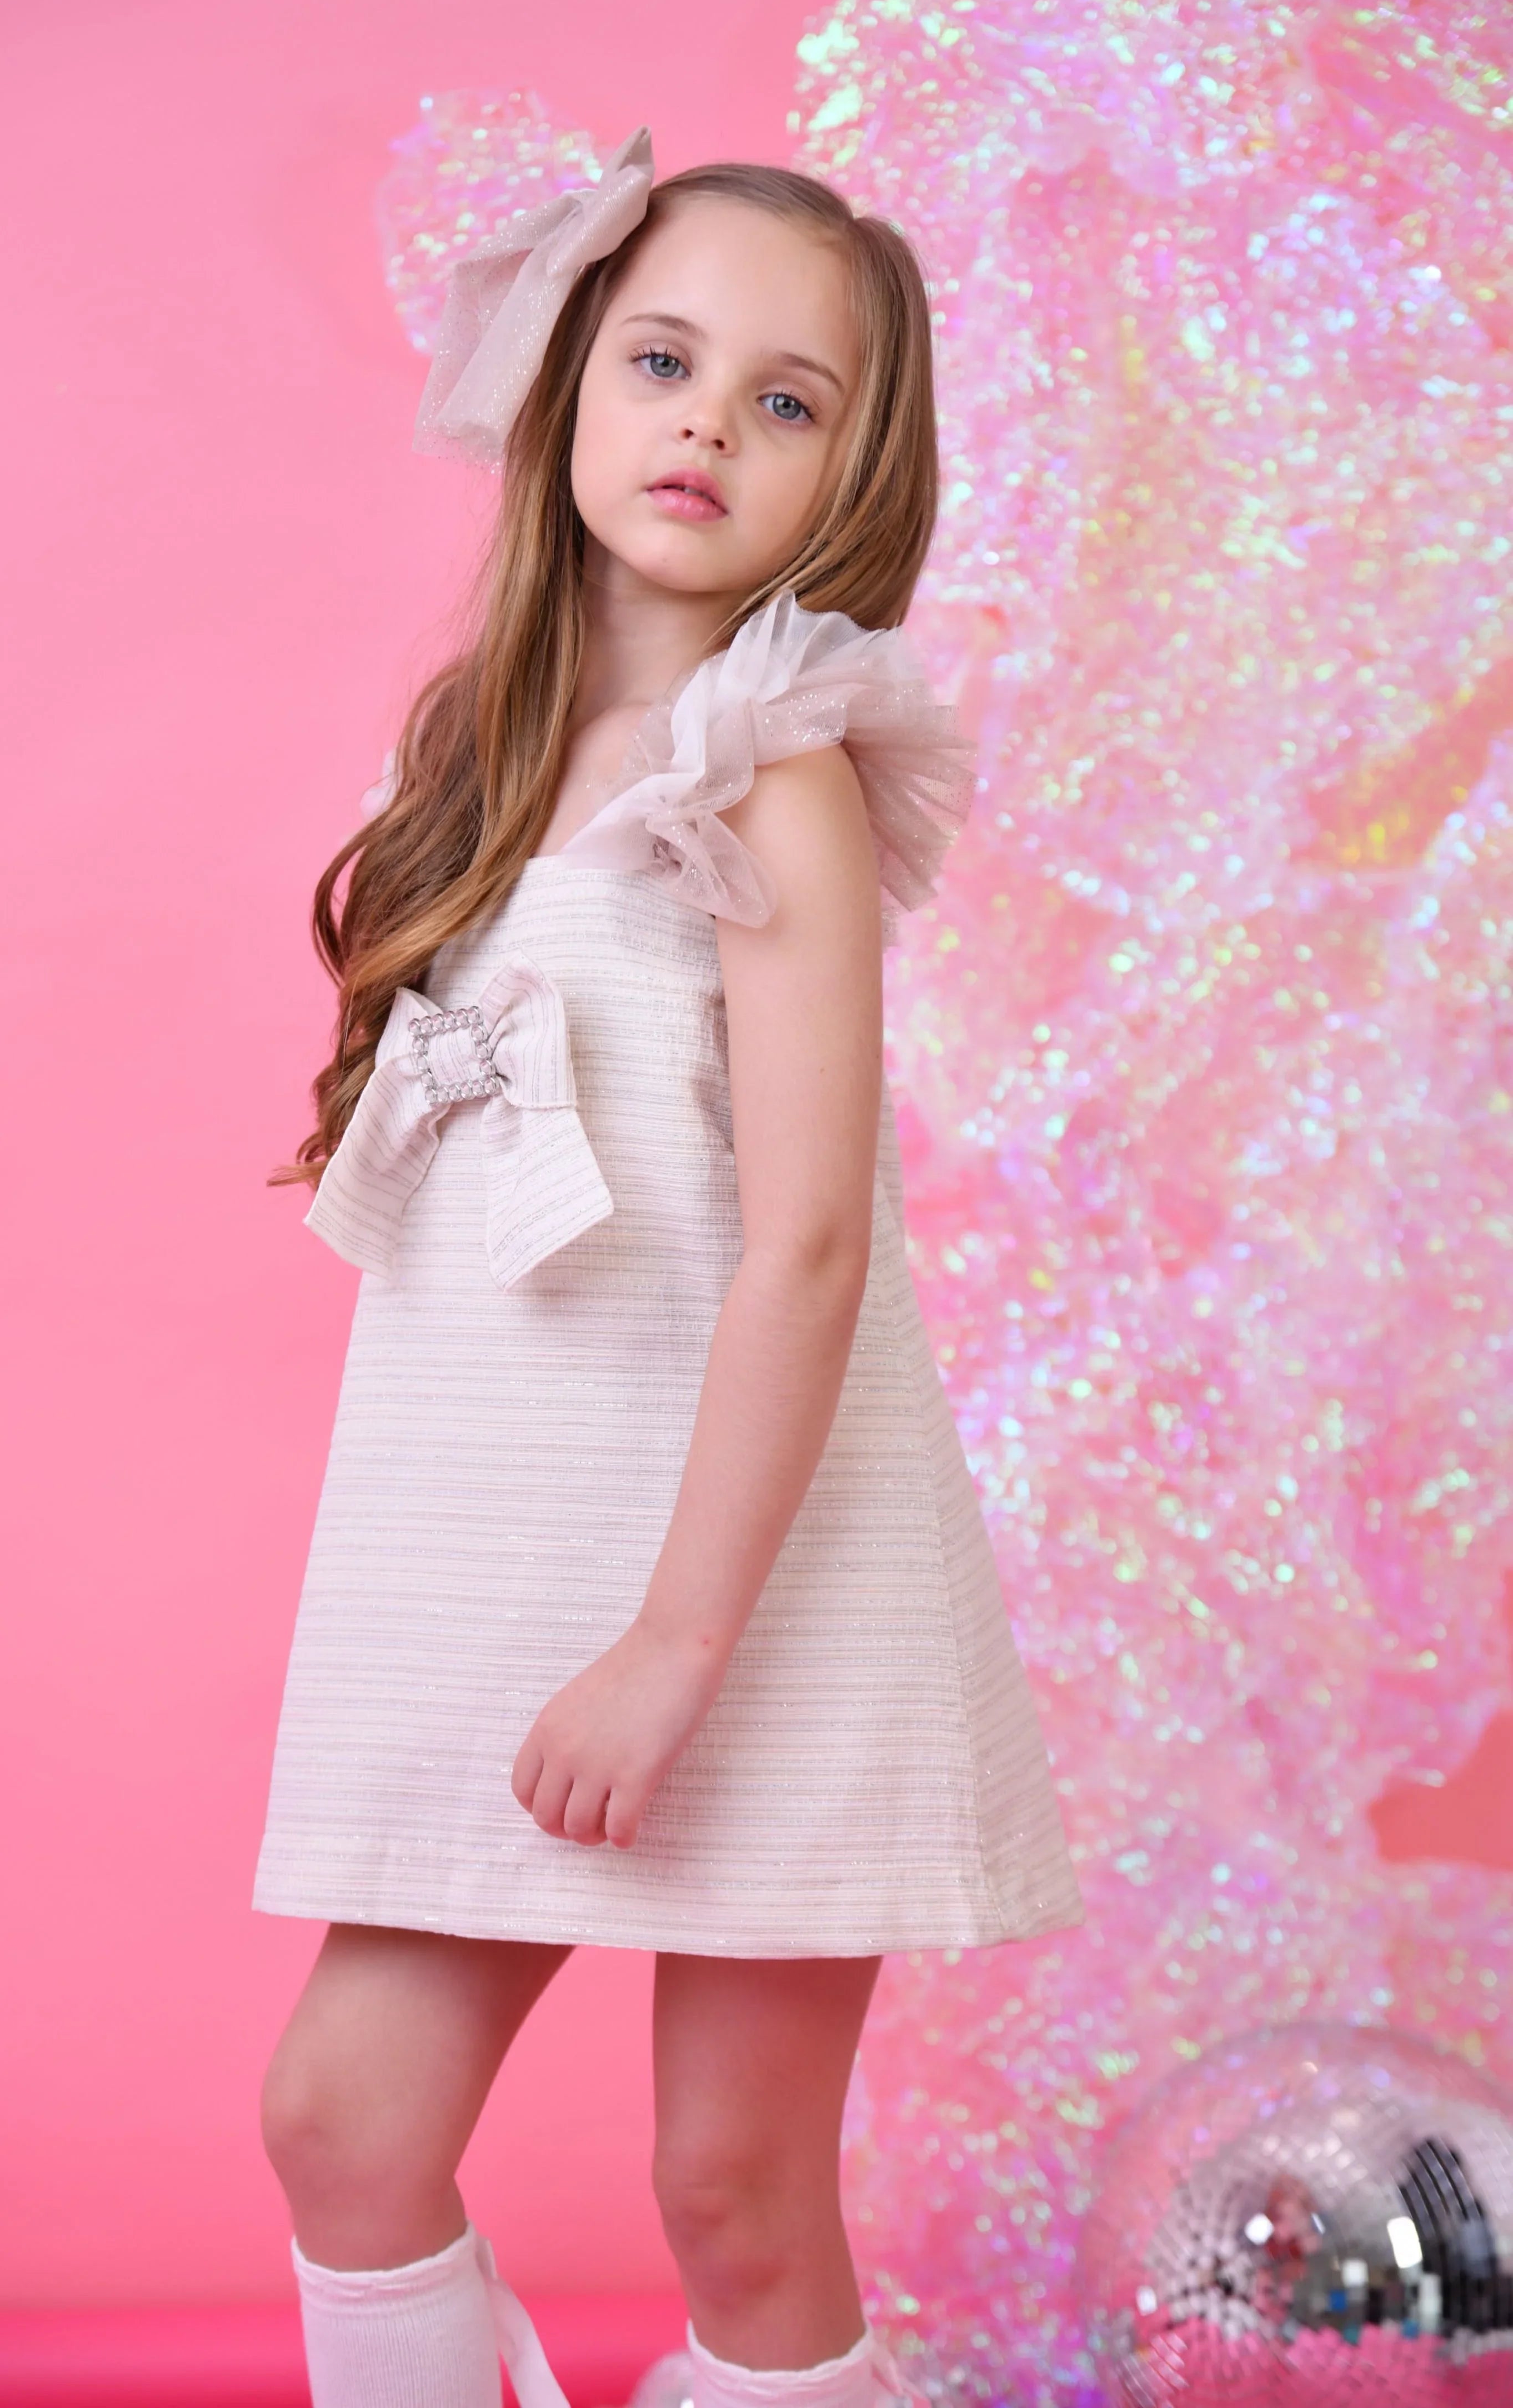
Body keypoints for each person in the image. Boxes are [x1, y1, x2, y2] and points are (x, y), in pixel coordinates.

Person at [252, 127, 1083, 2408]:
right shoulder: (481, 756)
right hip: (508, 1538)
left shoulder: (768, 766)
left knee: (733, 2182)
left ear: (852, 478)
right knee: (344, 2115)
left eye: (786, 398)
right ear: (566, 387)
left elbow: (810, 1237)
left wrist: (675, 1638)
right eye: (664, 357)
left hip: (748, 1566)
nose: (708, 421)